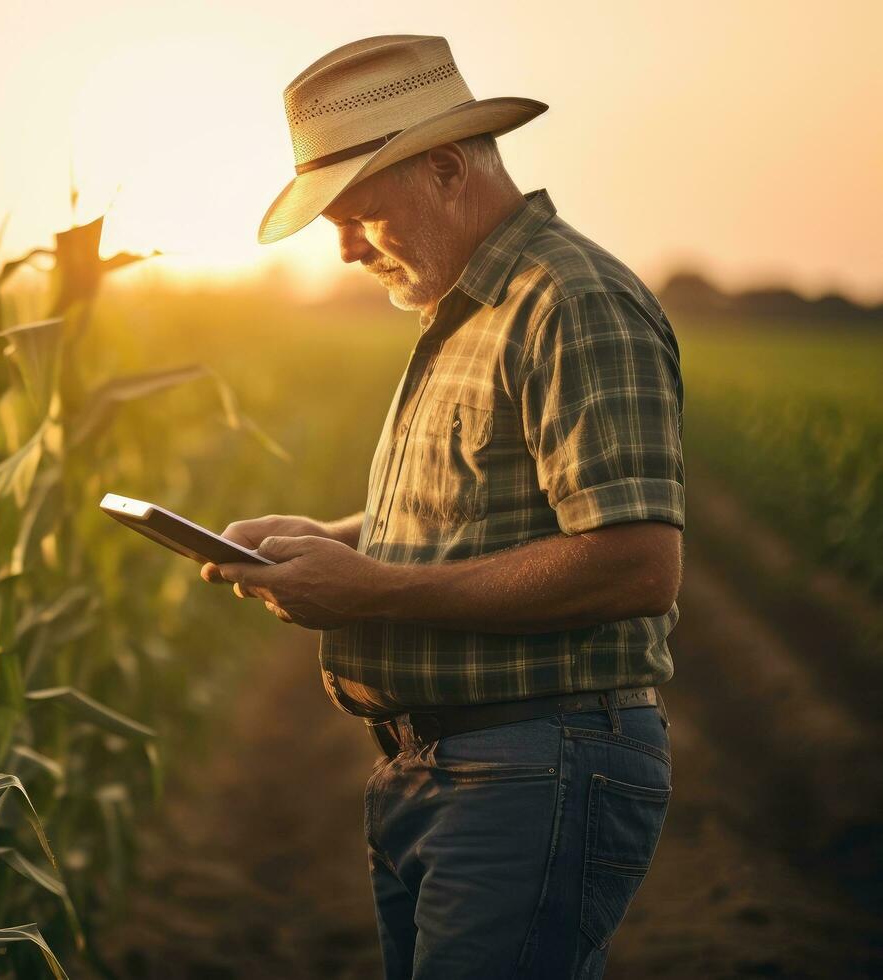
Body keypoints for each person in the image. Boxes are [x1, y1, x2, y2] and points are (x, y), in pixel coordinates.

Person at [201, 35, 684, 979]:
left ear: (447, 168)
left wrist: (368, 590)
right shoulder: (467, 311)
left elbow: (636, 561)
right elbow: (474, 516)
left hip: (534, 763)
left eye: (357, 216)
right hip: (448, 769)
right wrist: (322, 544)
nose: (342, 251)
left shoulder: (569, 301)